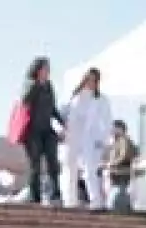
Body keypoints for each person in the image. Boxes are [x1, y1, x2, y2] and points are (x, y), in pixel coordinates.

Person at [59, 68, 112, 210]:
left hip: (90, 138)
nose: (91, 83)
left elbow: (106, 121)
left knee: (90, 170)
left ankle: (96, 200)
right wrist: (61, 131)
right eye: (89, 79)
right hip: (72, 136)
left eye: (94, 80)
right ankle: (70, 199)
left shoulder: (101, 100)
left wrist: (104, 140)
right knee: (70, 167)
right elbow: (62, 115)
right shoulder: (74, 98)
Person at [17, 58, 62, 206]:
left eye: (48, 69)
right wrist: (36, 84)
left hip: (47, 130)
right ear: (37, 70)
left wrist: (62, 121)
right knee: (35, 165)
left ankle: (56, 194)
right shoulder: (29, 84)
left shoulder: (49, 86)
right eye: (45, 68)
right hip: (32, 131)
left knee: (53, 163)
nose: (48, 72)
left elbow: (52, 107)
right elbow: (25, 100)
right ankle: (34, 196)